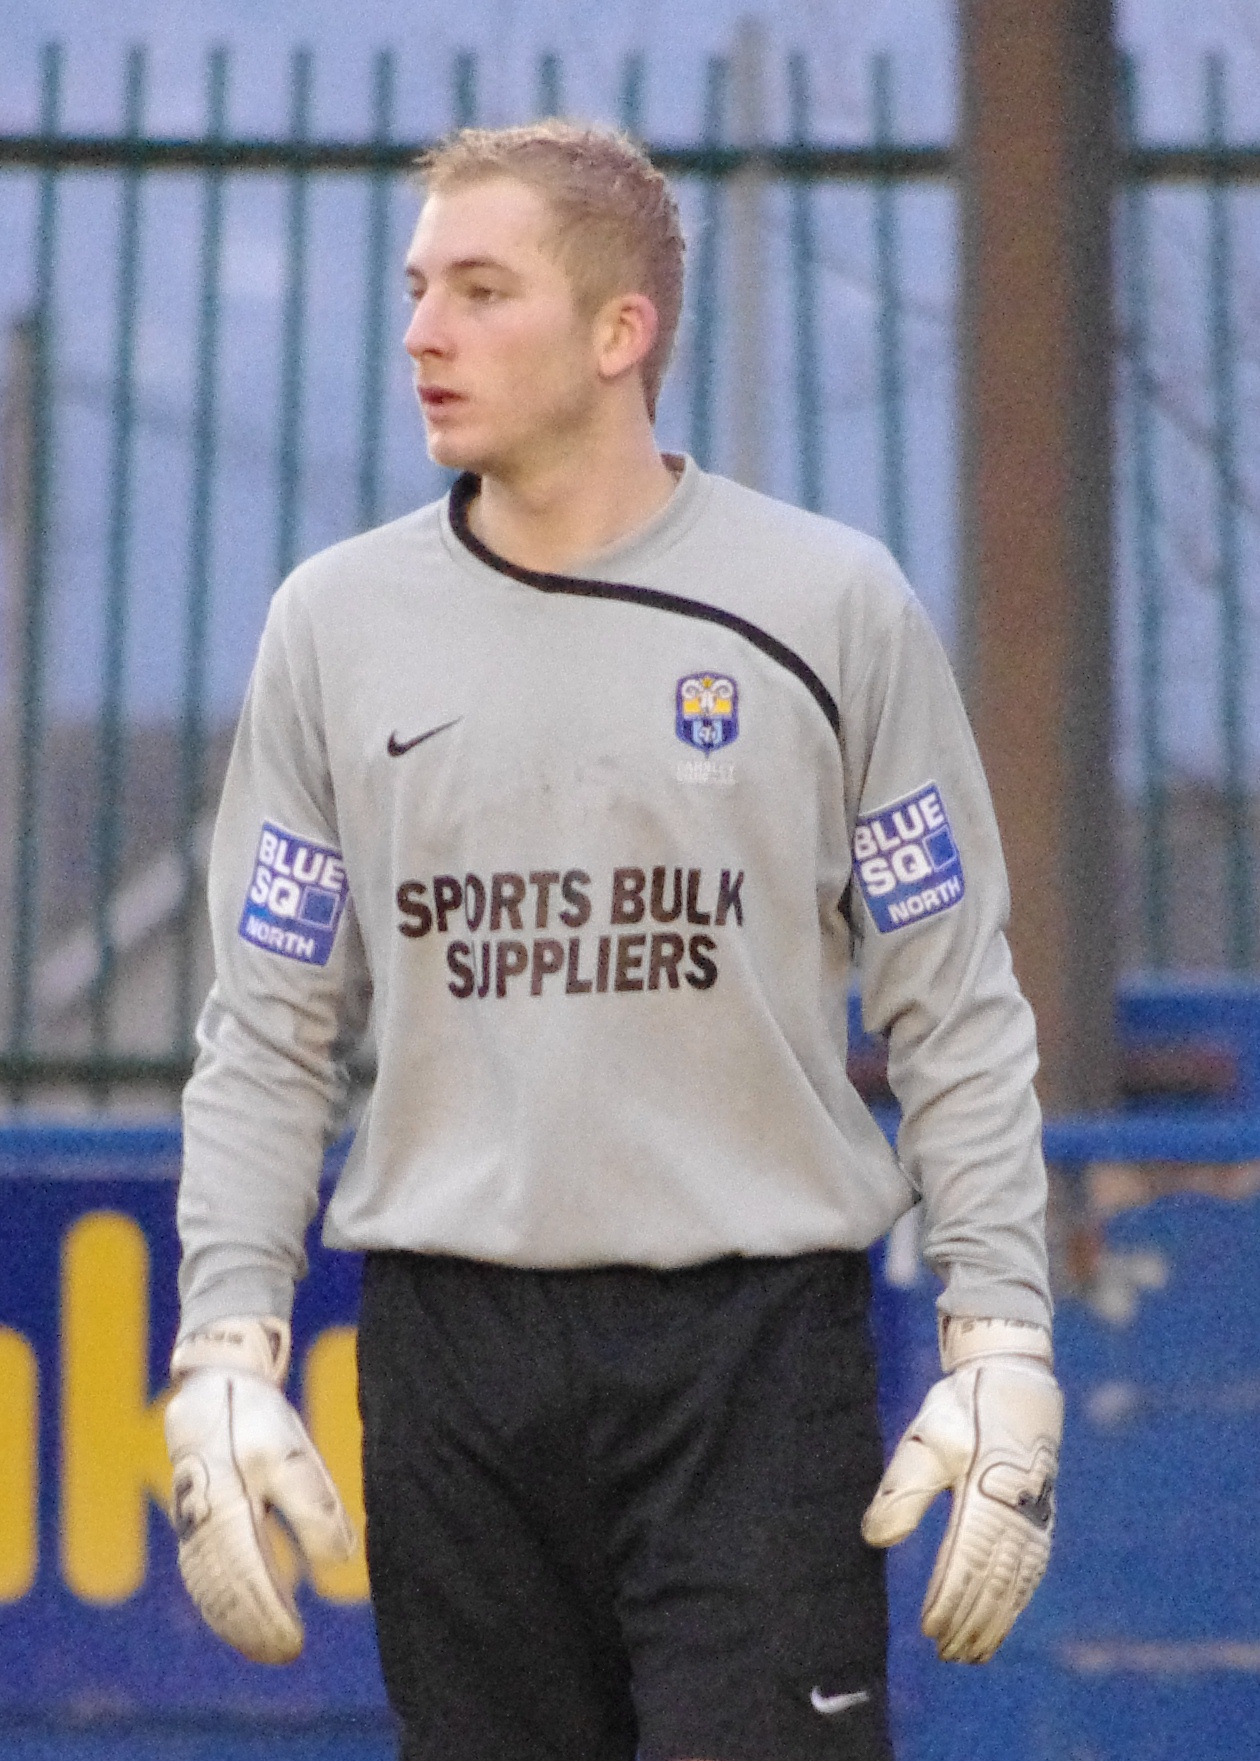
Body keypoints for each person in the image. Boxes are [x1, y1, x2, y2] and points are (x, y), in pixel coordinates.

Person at [164, 120, 1063, 1761]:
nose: (423, 331)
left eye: (482, 289)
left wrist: (1002, 1333)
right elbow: (272, 1023)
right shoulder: (333, 626)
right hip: (452, 1363)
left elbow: (955, 1004)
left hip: (750, 1355)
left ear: (618, 331)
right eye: (417, 286)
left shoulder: (827, 606)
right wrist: (225, 1341)